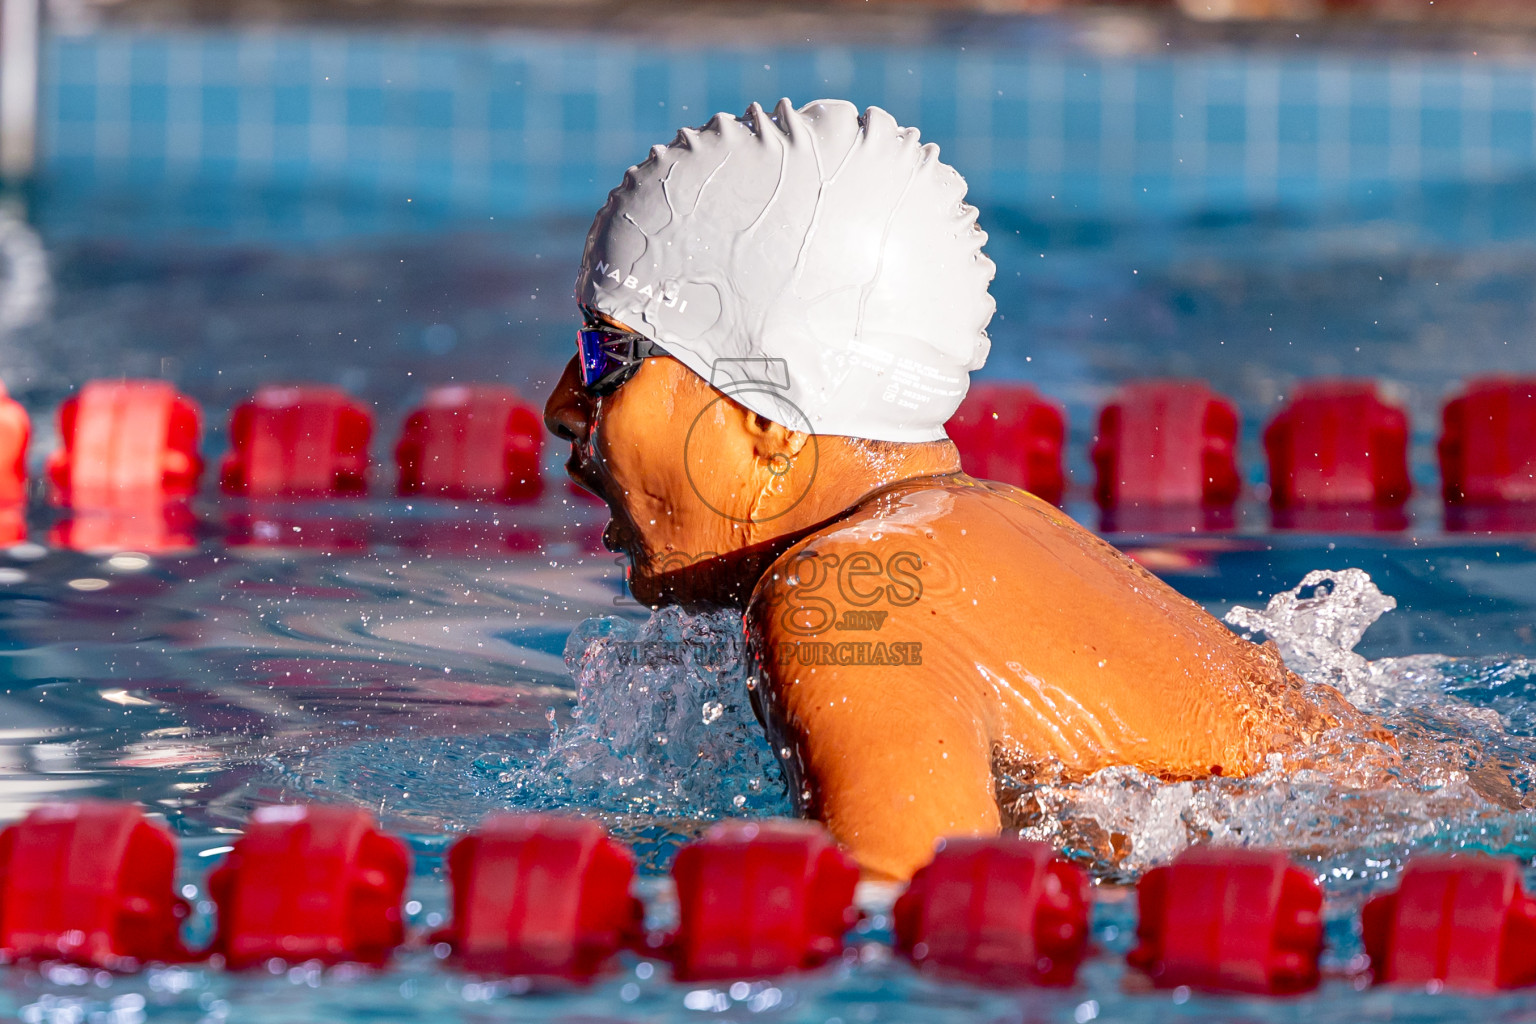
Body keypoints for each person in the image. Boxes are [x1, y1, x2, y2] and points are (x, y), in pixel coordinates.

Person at [543, 98, 1376, 881]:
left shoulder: (848, 598)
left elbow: (905, 948)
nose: (560, 409)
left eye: (605, 361)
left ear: (768, 414)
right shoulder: (994, 532)